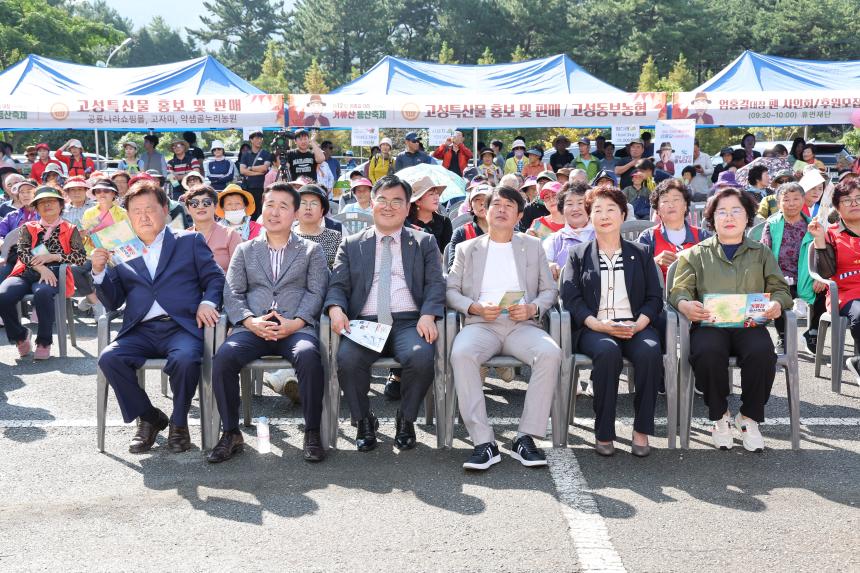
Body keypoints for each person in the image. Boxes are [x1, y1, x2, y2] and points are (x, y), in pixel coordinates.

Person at [95, 180, 224, 454]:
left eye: (150, 209)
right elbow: (113, 300)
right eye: (136, 211)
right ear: (128, 216)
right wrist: (99, 273)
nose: (143, 216)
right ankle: (150, 418)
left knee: (187, 359)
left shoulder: (189, 241)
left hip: (181, 327)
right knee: (110, 357)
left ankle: (179, 422)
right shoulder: (120, 249)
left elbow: (215, 278)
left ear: (165, 209)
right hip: (140, 329)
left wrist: (208, 301)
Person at [208, 182, 329, 463]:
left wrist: (296, 323)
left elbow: (316, 291)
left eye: (283, 206)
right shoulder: (245, 249)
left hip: (294, 326)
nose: (274, 212)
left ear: (296, 214)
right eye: (270, 205)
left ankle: (312, 431)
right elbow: (233, 291)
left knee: (309, 356)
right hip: (254, 326)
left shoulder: (312, 251)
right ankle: (231, 432)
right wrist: (250, 321)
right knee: (224, 358)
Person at [325, 175, 445, 452]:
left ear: (407, 208)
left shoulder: (423, 242)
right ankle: (364, 420)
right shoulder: (352, 244)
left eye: (396, 201)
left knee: (421, 356)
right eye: (382, 200)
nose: (388, 207)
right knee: (347, 359)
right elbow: (338, 284)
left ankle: (406, 419)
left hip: (409, 321)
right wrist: (335, 309)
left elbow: (436, 283)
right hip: (365, 322)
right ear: (373, 204)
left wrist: (428, 314)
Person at [447, 185, 562, 470]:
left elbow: (549, 291)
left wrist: (533, 308)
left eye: (509, 206)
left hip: (521, 323)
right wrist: (473, 307)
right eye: (496, 204)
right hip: (481, 324)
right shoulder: (466, 248)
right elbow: (450, 291)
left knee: (550, 353)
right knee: (461, 353)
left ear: (519, 214)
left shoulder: (533, 246)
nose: (501, 210)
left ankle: (525, 438)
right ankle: (483, 442)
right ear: (484, 212)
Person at [670, 187, 791, 452]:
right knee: (707, 353)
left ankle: (748, 417)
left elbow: (780, 288)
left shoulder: (761, 253)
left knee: (762, 353)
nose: (729, 217)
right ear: (711, 219)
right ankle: (719, 415)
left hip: (749, 324)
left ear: (748, 217)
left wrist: (776, 304)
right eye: (721, 212)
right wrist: (685, 305)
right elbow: (678, 290)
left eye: (736, 210)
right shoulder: (696, 254)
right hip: (710, 324)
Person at [561, 186, 664, 457]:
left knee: (651, 351)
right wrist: (596, 324)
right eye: (597, 210)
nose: (604, 216)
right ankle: (603, 430)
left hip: (635, 324)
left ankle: (641, 430)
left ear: (622, 214)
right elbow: (570, 297)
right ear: (589, 216)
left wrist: (639, 324)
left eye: (610, 210)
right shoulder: (579, 254)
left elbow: (655, 297)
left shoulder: (640, 253)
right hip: (595, 327)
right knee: (607, 351)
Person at [0, 186, 86, 360]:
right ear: (36, 208)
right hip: (25, 272)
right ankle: (20, 336)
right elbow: (22, 253)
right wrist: (41, 267)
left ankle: (44, 341)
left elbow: (80, 257)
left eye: (51, 201)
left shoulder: (70, 228)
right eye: (42, 203)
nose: (47, 205)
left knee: (43, 292)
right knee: (3, 294)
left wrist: (53, 256)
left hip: (55, 274)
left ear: (61, 205)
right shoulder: (28, 227)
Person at [760, 182, 824, 352]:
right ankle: (782, 337)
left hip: (806, 277)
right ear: (779, 203)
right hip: (780, 277)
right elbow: (763, 253)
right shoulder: (772, 224)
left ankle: (812, 333)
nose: (792, 203)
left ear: (803, 200)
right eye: (786, 199)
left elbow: (821, 253)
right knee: (778, 297)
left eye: (796, 198)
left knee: (824, 292)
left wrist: (820, 277)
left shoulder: (812, 225)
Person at [810, 178, 860, 381]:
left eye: (858, 198)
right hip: (846, 294)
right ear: (838, 208)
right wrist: (820, 240)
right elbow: (826, 272)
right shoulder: (831, 233)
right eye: (847, 200)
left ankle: (857, 362)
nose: (855, 203)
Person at [638, 179, 710, 278]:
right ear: (657, 210)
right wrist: (654, 262)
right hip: (660, 292)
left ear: (685, 206)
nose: (671, 205)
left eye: (676, 199)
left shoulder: (702, 236)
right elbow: (637, 271)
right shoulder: (648, 237)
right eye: (665, 201)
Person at [544, 182, 595, 281]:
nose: (575, 209)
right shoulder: (554, 240)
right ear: (562, 209)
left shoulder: (602, 234)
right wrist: (549, 265)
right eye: (569, 204)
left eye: (580, 203)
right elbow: (543, 262)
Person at [184, 184, 240, 272]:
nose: (200, 206)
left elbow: (239, 272)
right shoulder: (182, 238)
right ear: (188, 209)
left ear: (215, 206)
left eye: (206, 202)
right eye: (194, 203)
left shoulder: (231, 235)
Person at [294, 184, 342, 269]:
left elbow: (339, 271)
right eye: (303, 203)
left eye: (314, 203)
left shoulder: (335, 237)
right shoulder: (287, 235)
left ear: (321, 211)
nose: (308, 208)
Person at [447, 184, 490, 270]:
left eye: (487, 199)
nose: (482, 203)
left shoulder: (507, 231)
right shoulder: (461, 233)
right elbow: (453, 268)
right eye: (477, 199)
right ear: (470, 205)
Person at [406, 176, 452, 253]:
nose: (436, 197)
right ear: (418, 201)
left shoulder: (444, 222)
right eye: (431, 194)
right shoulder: (407, 222)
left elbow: (447, 252)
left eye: (436, 193)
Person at [239, 131, 273, 218]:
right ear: (251, 140)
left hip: (262, 188)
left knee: (262, 212)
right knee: (250, 213)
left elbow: (265, 168)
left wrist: (250, 168)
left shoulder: (266, 154)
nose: (259, 140)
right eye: (257, 138)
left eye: (261, 138)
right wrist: (258, 173)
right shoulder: (246, 155)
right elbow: (242, 171)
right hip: (248, 188)